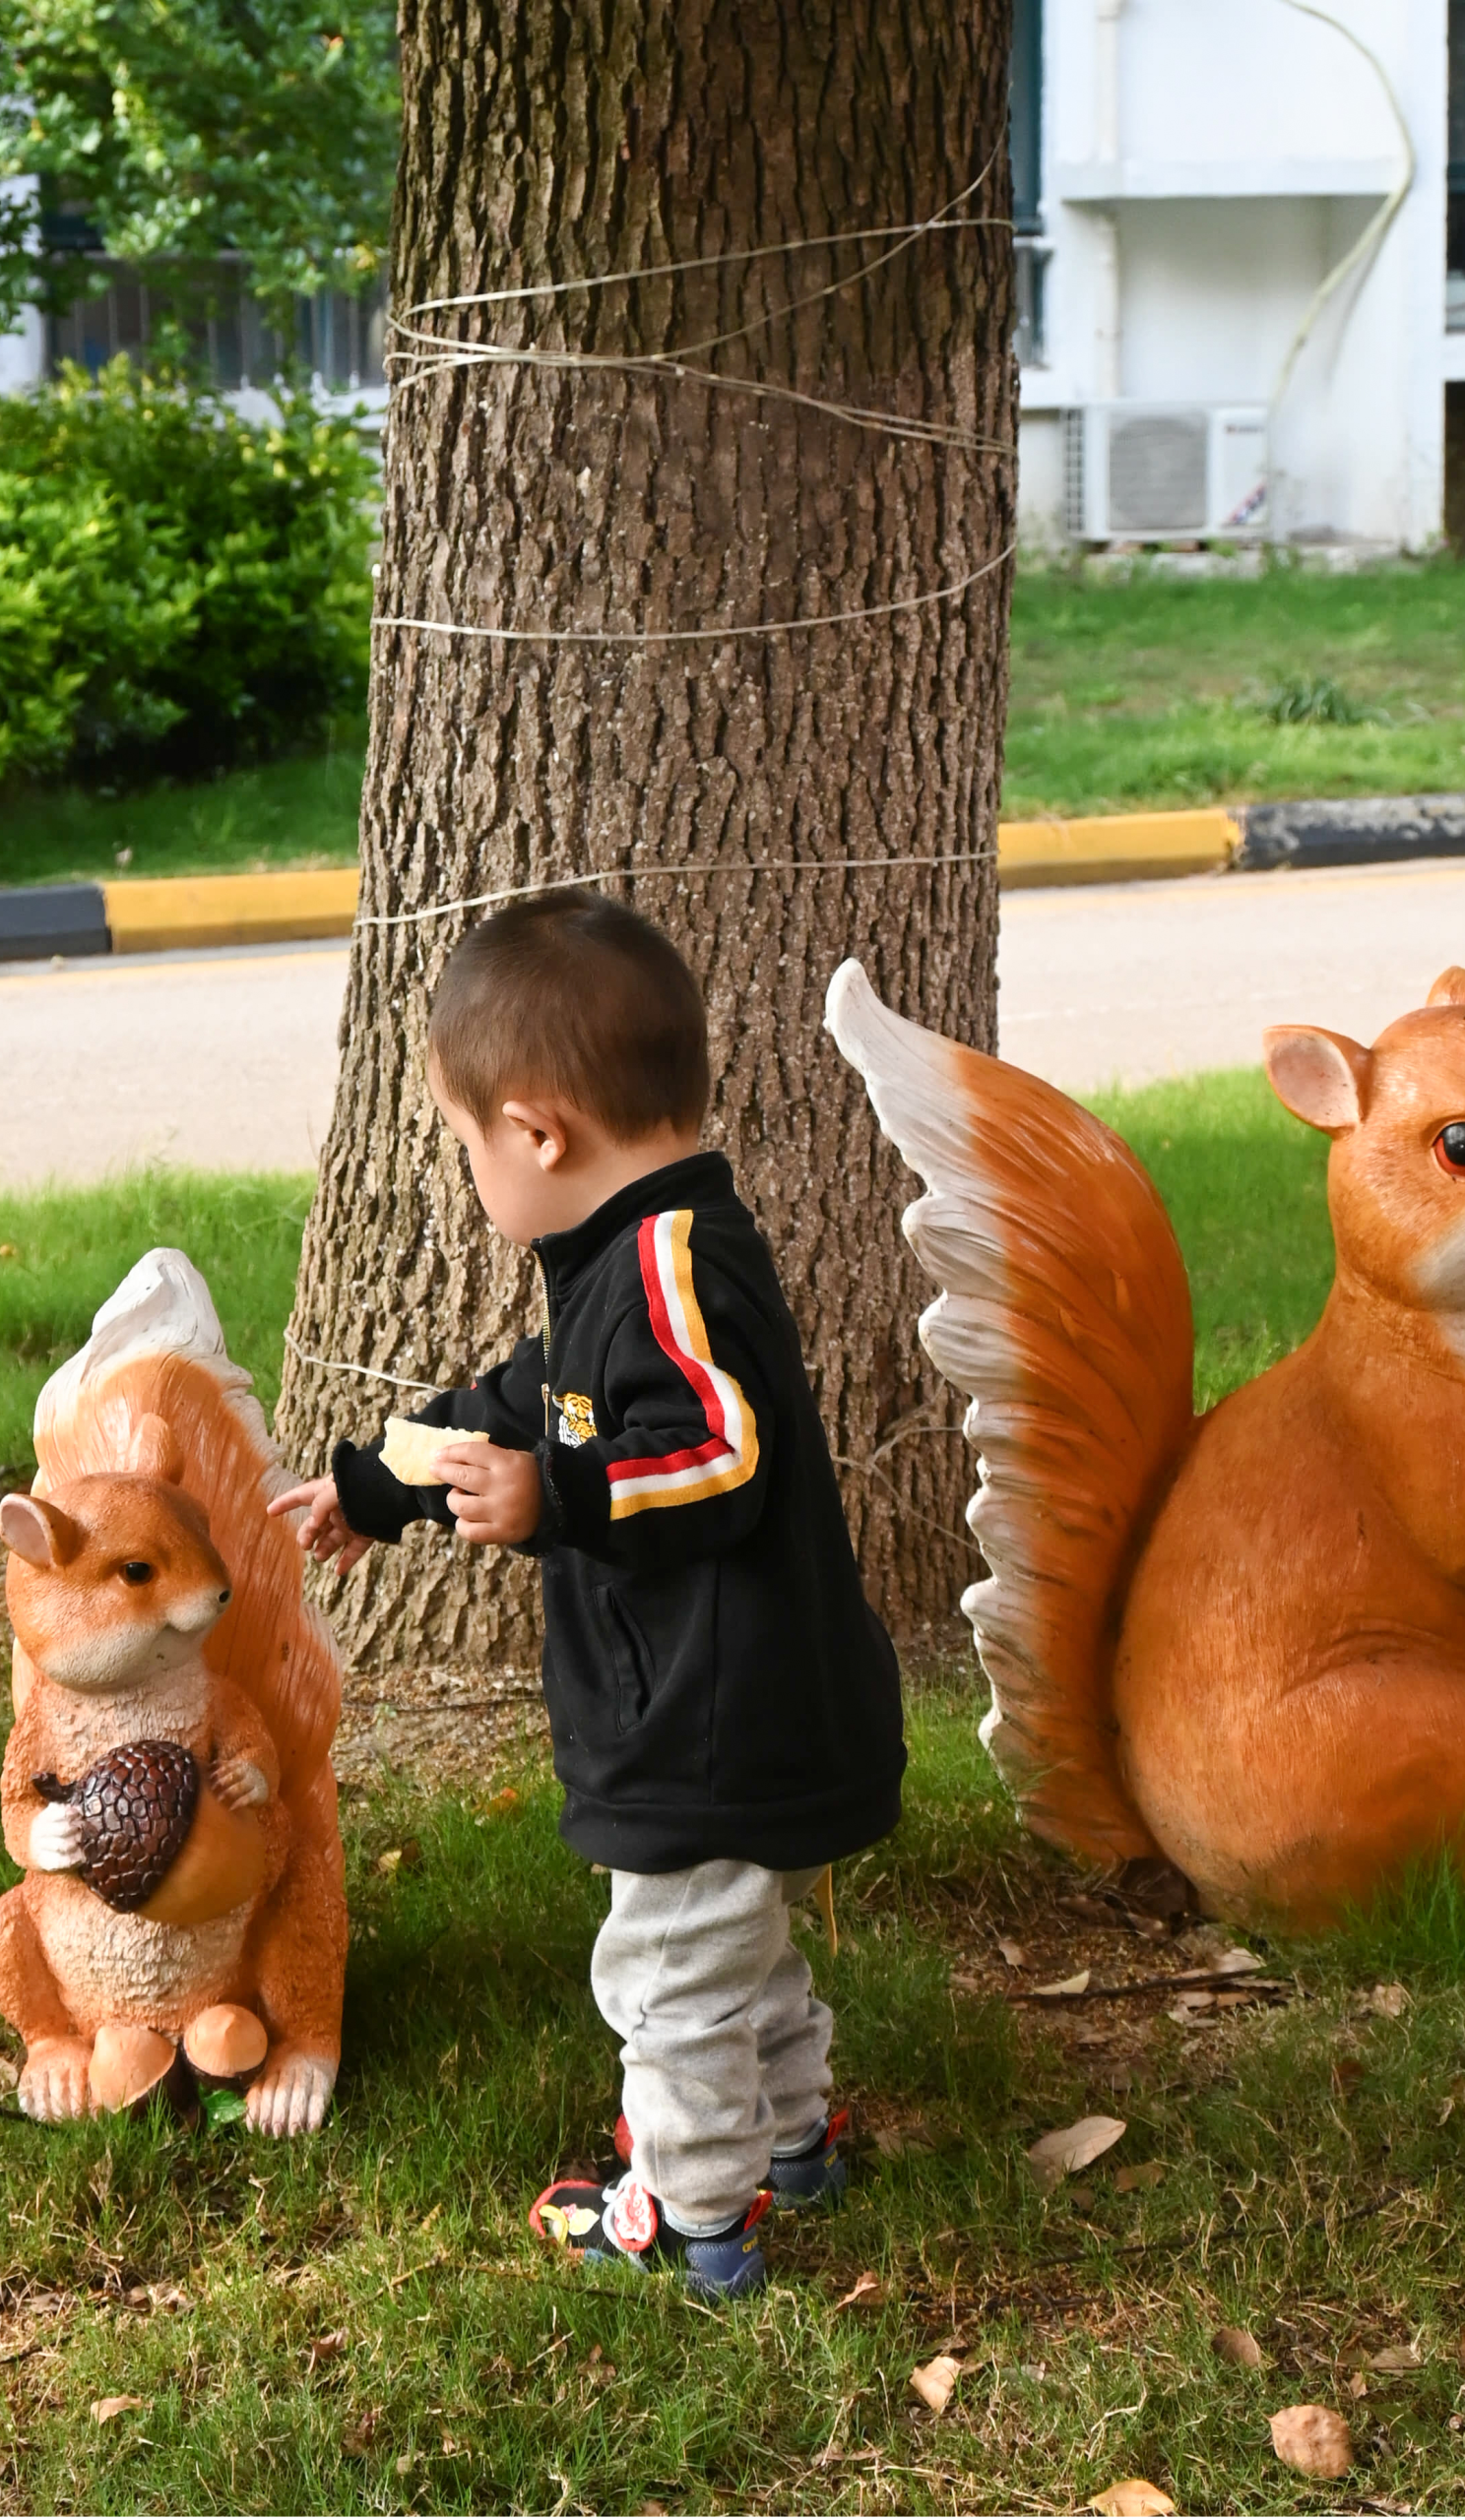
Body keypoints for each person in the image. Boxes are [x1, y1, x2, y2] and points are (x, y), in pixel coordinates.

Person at [270, 888, 904, 2297]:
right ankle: (795, 2140)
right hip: (722, 1708)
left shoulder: (676, 1269)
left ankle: (691, 2213)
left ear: (541, 1132)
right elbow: (534, 1399)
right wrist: (379, 1485)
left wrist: (559, 1500)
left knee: (668, 1976)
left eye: (466, 1142)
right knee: (736, 1950)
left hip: (710, 1718)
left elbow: (720, 1454)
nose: (472, 1172)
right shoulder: (624, 1255)